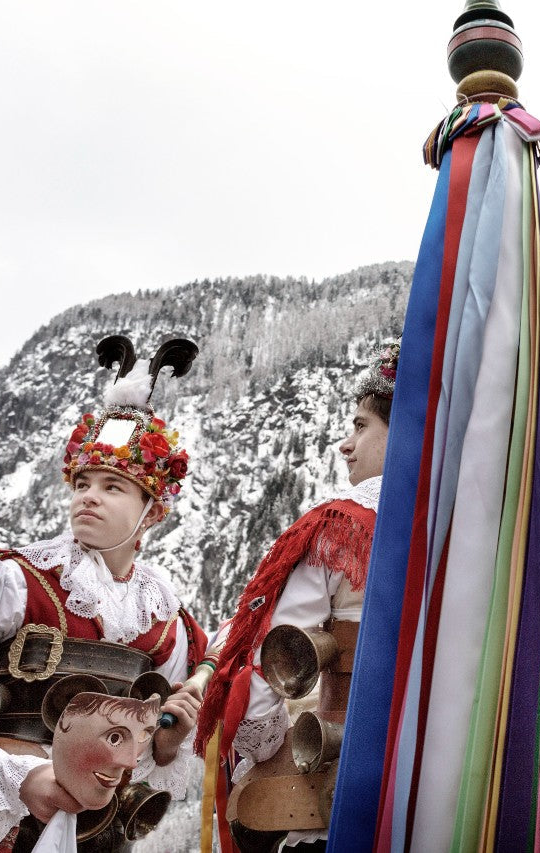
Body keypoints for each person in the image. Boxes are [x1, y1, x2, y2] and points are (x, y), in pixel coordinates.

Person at [0, 335, 208, 852]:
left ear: (152, 512)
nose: (88, 497)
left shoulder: (167, 624)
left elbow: (142, 757)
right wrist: (15, 775)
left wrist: (166, 746)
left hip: (99, 839)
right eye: (82, 482)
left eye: (112, 486)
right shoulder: (12, 579)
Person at [196, 343, 396, 853]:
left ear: (405, 431)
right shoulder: (489, 531)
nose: (346, 444)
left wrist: (266, 747)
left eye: (361, 426)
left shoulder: (341, 529)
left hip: (342, 781)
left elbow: (271, 660)